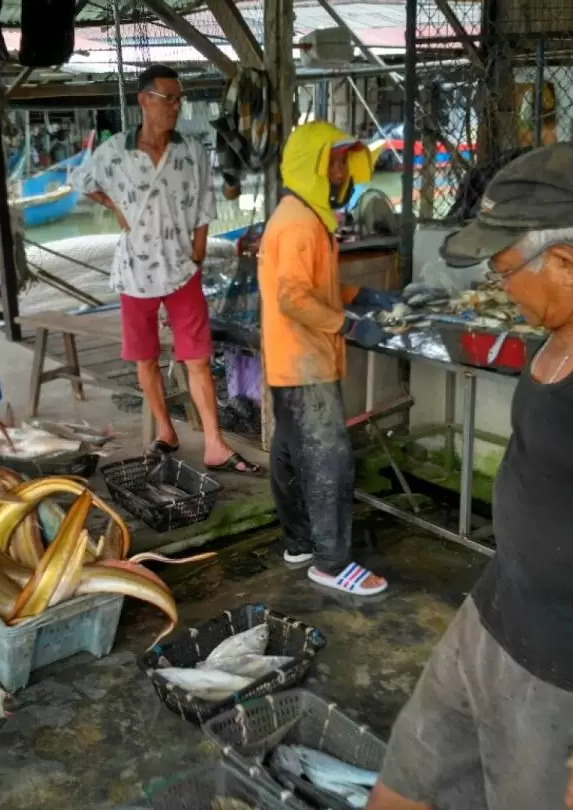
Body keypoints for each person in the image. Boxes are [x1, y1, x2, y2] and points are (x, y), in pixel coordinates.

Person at [368, 141, 573, 810]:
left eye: (503, 269)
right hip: (494, 620)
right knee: (403, 790)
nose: (497, 286)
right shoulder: (569, 322)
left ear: (568, 262)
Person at [72, 64, 258, 474]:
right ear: (144, 101)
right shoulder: (116, 150)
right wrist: (115, 205)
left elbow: (206, 204)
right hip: (136, 270)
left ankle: (214, 443)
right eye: (167, 99)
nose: (175, 107)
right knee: (145, 359)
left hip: (181, 268)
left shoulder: (190, 150)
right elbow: (81, 179)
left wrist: (198, 251)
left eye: (179, 99)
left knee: (197, 358)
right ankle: (165, 430)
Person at [257, 120, 396, 597]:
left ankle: (299, 543)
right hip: (304, 360)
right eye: (333, 160)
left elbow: (316, 287)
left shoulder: (305, 214)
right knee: (328, 460)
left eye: (344, 159)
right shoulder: (298, 223)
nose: (340, 170)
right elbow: (294, 299)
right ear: (311, 164)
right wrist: (351, 325)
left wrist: (364, 296)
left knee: (292, 453)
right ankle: (332, 563)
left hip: (290, 357)